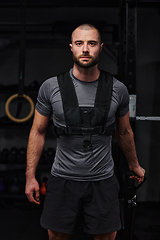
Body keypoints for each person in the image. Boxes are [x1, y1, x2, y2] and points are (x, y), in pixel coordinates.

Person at [25, 23, 145, 240]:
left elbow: (125, 132)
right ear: (71, 47)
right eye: (80, 43)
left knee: (106, 238)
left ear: (100, 47)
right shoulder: (51, 87)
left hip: (103, 180)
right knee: (57, 237)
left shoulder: (118, 89)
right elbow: (37, 132)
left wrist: (134, 165)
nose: (86, 49)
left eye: (91, 43)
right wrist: (30, 176)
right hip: (62, 178)